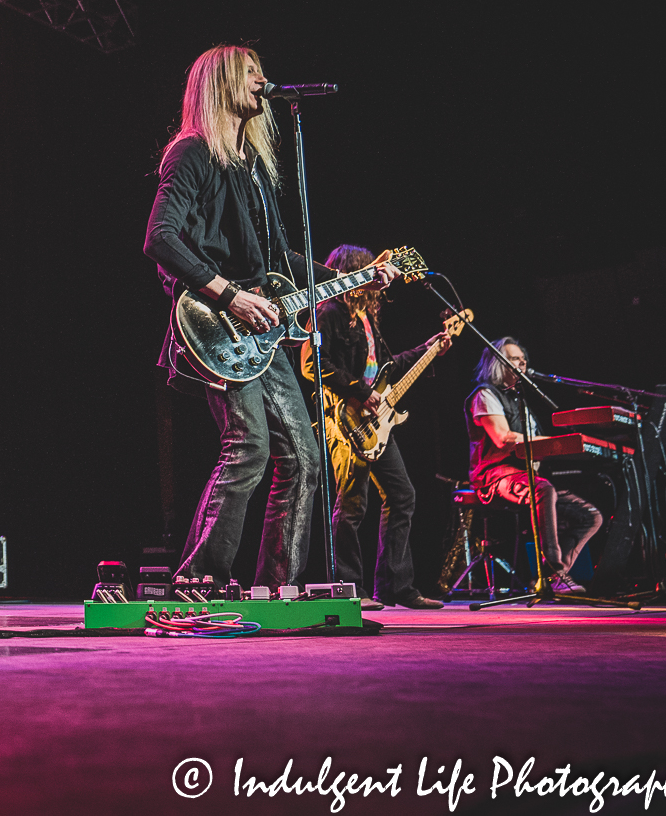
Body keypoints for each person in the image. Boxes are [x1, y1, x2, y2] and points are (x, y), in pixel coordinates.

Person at [144, 45, 400, 587]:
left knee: (306, 459)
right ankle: (201, 577)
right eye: (253, 72)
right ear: (224, 83)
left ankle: (276, 586)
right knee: (249, 445)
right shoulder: (191, 152)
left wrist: (355, 276)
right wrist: (228, 295)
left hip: (266, 331)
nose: (266, 80)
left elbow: (281, 258)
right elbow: (160, 237)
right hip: (216, 320)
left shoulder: (255, 167)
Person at [300, 244, 451, 610]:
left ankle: (396, 587)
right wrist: (358, 392)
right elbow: (312, 365)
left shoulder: (367, 318)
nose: (380, 278)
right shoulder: (329, 312)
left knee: (403, 496)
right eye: (369, 269)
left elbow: (388, 368)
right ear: (353, 272)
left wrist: (429, 349)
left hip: (376, 423)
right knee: (352, 505)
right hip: (343, 419)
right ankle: (350, 590)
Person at [465, 338, 603, 594]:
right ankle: (555, 571)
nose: (522, 362)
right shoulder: (485, 394)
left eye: (523, 358)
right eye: (514, 358)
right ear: (497, 363)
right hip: (495, 476)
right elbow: (503, 438)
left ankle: (550, 577)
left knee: (590, 516)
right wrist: (553, 443)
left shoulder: (520, 400)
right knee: (543, 489)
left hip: (527, 476)